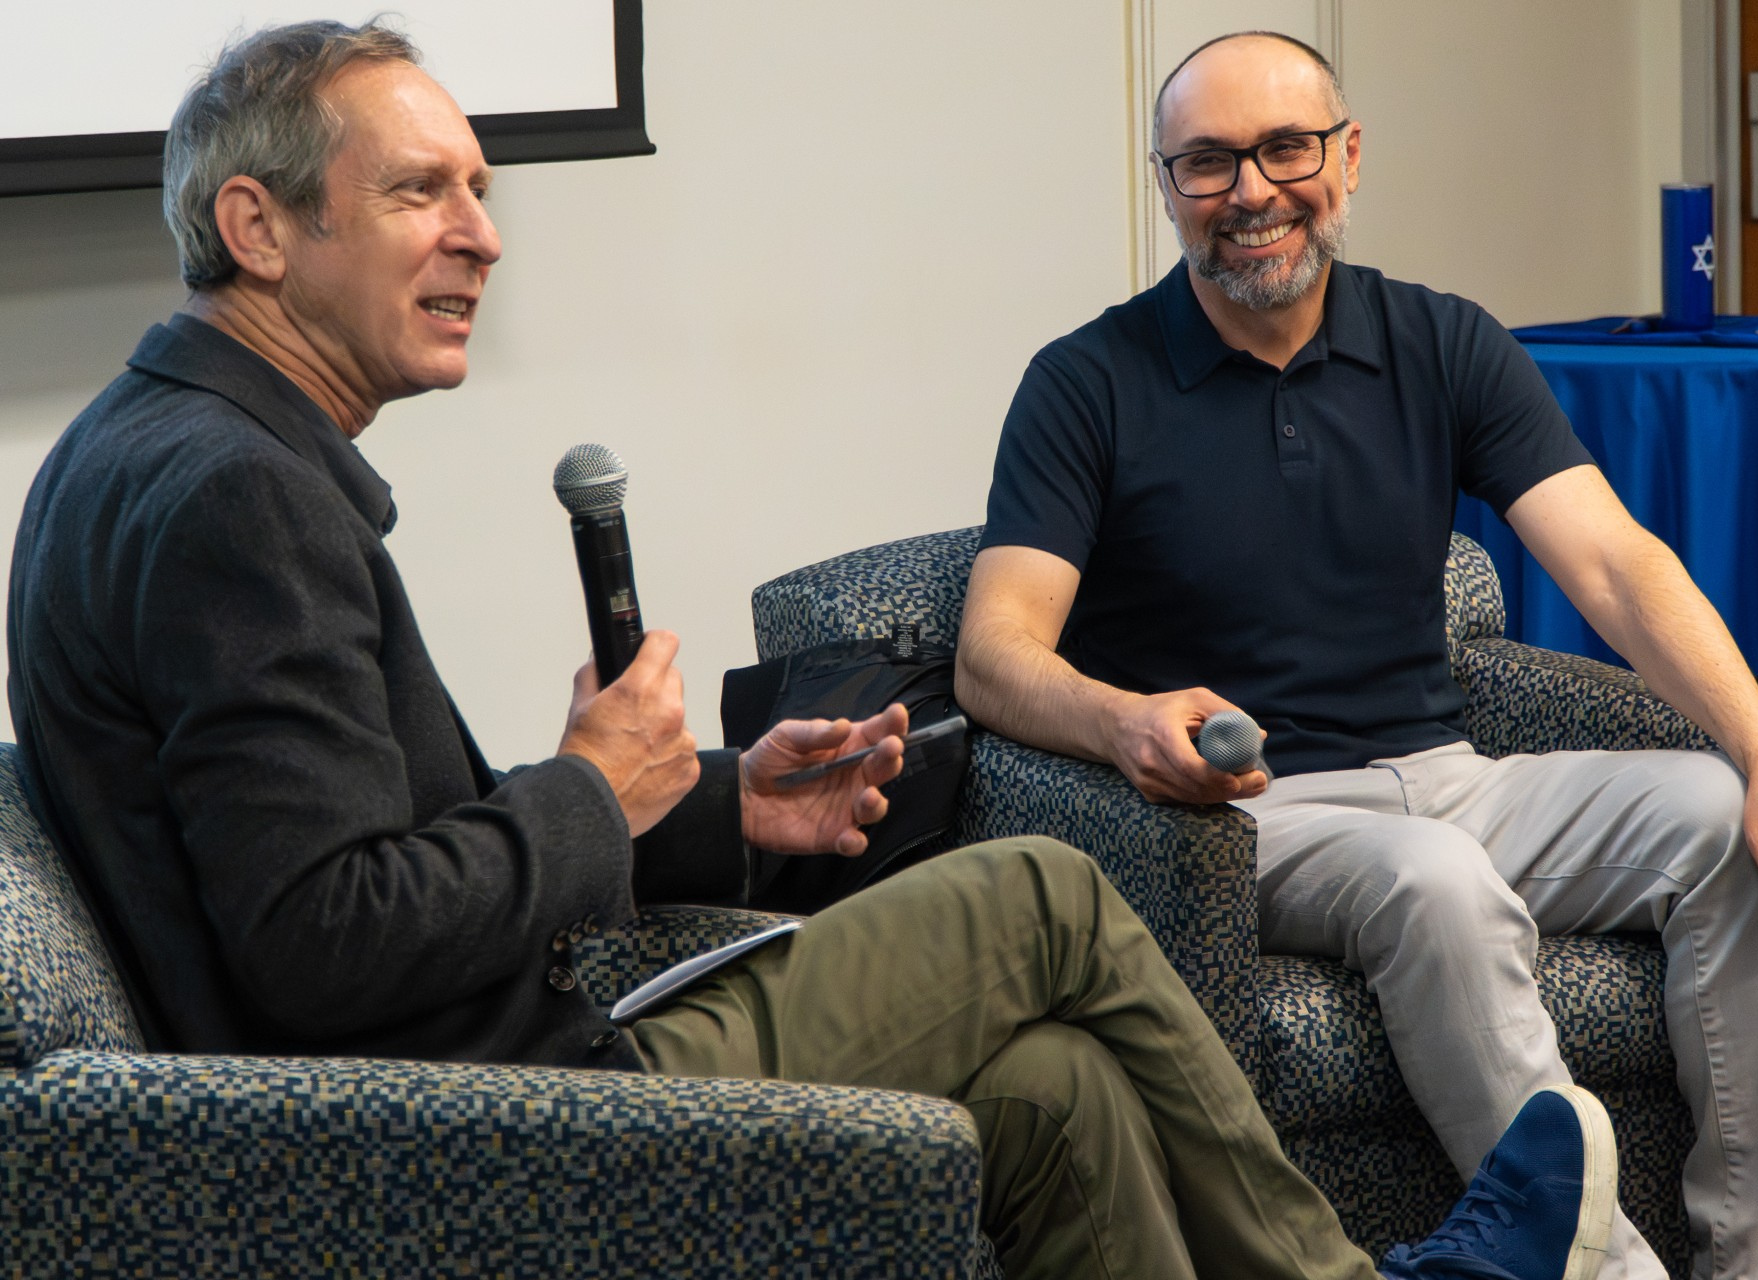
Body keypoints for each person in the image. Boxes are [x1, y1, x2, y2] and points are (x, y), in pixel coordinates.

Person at [4, 20, 1619, 1280]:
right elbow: (327, 944)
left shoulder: (166, 449)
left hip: (435, 1067)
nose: (484, 236)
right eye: (422, 192)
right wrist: (587, 790)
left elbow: (342, 846)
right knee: (1044, 892)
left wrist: (708, 804)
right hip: (455, 1127)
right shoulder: (234, 502)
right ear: (256, 226)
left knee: (1054, 1093)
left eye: (483, 188)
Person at [956, 30, 1758, 1280]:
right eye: (1209, 163)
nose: (1253, 191)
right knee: (1431, 874)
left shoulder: (1441, 341)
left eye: (1286, 148)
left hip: (1453, 772)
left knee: (1722, 814)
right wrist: (1123, 722)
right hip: (1248, 817)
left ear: (1349, 156)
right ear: (1166, 185)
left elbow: (1613, 563)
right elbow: (993, 654)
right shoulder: (1086, 382)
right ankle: (1604, 1269)